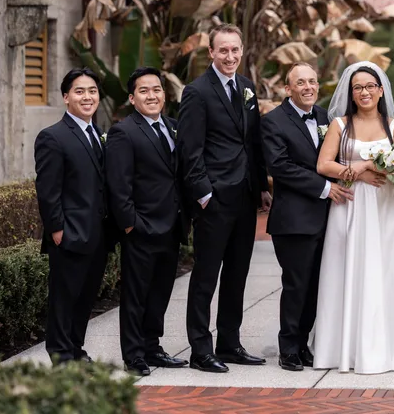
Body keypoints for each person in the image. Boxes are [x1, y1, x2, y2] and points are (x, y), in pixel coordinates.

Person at [313, 61, 394, 374]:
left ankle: (388, 349)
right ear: (351, 91)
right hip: (349, 205)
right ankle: (341, 349)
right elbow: (323, 165)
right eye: (358, 87)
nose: (364, 92)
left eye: (370, 86)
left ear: (380, 90)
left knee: (385, 271)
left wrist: (368, 167)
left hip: (384, 207)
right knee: (344, 270)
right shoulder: (339, 125)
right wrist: (357, 173)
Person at [178, 24, 272, 373]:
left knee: (237, 273)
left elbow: (253, 142)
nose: (230, 56)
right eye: (224, 51)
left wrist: (261, 186)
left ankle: (229, 343)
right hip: (215, 199)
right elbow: (190, 150)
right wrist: (204, 194)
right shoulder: (196, 92)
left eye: (235, 50)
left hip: (245, 196)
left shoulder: (246, 87)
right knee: (205, 276)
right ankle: (200, 350)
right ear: (211, 54)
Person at [261, 62, 353, 371]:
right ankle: (288, 347)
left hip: (328, 218)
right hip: (294, 220)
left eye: (312, 81)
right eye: (300, 82)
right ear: (288, 89)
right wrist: (326, 188)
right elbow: (280, 167)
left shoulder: (327, 117)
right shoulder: (273, 121)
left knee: (317, 285)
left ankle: (303, 345)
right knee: (296, 285)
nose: (308, 87)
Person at [106, 67, 190, 376]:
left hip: (171, 227)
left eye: (156, 89)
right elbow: (118, 184)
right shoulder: (123, 131)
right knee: (136, 295)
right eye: (144, 91)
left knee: (160, 293)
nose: (151, 95)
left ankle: (152, 347)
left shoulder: (173, 127)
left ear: (164, 95)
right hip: (140, 229)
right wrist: (130, 224)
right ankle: (134, 355)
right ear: (131, 98)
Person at [34, 68, 110, 365]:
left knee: (85, 298)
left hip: (98, 235)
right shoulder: (53, 137)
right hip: (69, 234)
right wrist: (56, 230)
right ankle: (61, 355)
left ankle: (76, 350)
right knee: (64, 300)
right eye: (79, 91)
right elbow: (48, 190)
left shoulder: (99, 134)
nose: (87, 97)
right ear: (66, 98)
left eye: (92, 91)